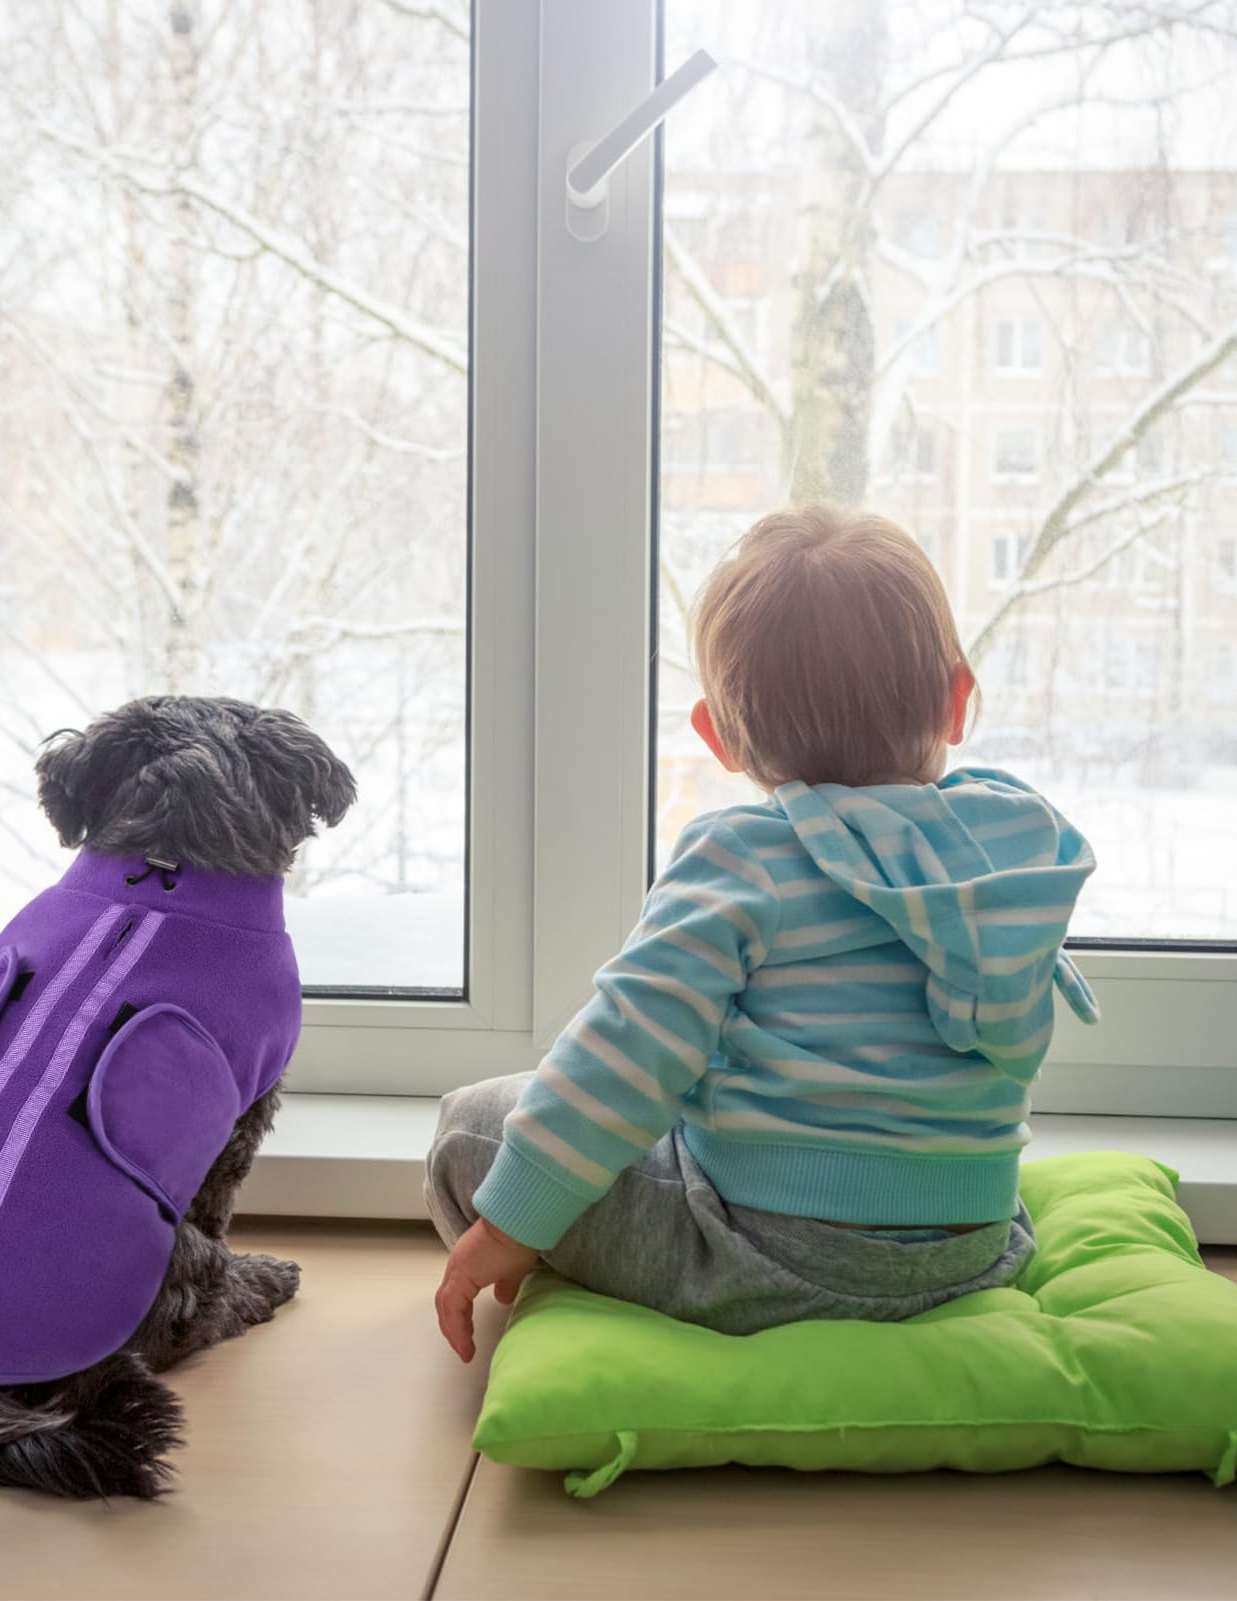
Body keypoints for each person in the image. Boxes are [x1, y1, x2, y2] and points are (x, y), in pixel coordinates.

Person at [427, 503, 1101, 1362]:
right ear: (956, 700)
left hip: (761, 1254)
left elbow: (625, 1052)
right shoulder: (1014, 848)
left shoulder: (743, 856)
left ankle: (534, 1262)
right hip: (972, 1251)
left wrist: (508, 1221)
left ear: (717, 735)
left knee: (467, 1127)